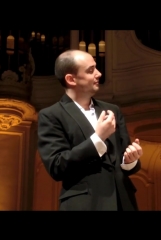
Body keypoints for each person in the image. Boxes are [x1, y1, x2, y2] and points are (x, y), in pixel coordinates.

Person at [37, 49, 143, 211]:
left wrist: (130, 161)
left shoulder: (112, 110)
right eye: (91, 70)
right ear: (71, 79)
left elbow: (123, 161)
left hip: (122, 201)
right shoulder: (51, 115)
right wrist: (98, 138)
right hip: (85, 203)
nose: (99, 74)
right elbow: (57, 166)